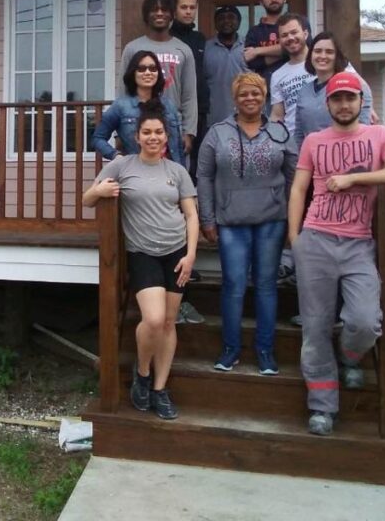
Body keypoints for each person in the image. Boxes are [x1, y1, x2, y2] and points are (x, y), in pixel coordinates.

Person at [287, 72, 385, 436]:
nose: (344, 105)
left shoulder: (378, 136)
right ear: (328, 104)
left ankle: (350, 355)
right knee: (315, 327)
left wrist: (356, 179)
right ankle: (322, 406)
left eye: (350, 98)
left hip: (358, 244)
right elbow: (299, 189)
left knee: (363, 321)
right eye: (337, 99)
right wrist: (295, 238)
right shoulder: (314, 140)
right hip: (316, 241)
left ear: (361, 101)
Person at [84, 101, 199, 420]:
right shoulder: (122, 166)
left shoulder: (177, 171)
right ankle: (143, 373)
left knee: (167, 323)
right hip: (143, 253)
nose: (153, 137)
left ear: (166, 137)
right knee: (152, 319)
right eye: (147, 132)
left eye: (158, 132)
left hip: (176, 253)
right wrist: (102, 190)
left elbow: (190, 215)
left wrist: (190, 255)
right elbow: (87, 198)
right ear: (136, 137)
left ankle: (160, 389)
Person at [197, 72, 296, 376]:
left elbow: (295, 177)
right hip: (231, 222)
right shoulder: (217, 133)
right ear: (235, 98)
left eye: (256, 93)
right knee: (234, 286)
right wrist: (208, 218)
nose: (250, 99)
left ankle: (265, 351)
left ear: (264, 96)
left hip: (272, 221)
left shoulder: (280, 133)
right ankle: (231, 349)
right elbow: (204, 176)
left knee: (266, 286)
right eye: (243, 94)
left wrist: (294, 220)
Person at [120, 0, 198, 154]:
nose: (160, 13)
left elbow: (189, 95)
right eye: (154, 10)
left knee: (173, 176)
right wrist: (118, 131)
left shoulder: (183, 50)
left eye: (164, 10)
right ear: (146, 15)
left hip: (173, 123)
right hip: (138, 122)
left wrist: (189, 132)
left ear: (172, 15)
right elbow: (124, 91)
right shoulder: (132, 48)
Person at [92, 50, 185, 166]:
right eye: (141, 69)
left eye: (153, 68)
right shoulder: (121, 106)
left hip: (169, 174)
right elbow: (98, 138)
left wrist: (182, 175)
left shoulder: (169, 105)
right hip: (137, 172)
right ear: (133, 73)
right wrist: (115, 155)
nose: (148, 72)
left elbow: (178, 148)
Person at [293, 32, 373, 152]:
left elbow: (362, 129)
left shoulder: (354, 86)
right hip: (313, 159)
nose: (323, 56)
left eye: (329, 52)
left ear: (337, 56)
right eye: (318, 51)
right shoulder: (303, 91)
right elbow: (299, 133)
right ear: (310, 55)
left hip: (346, 157)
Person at [169, 0, 209, 178]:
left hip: (199, 108)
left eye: (192, 7)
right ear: (174, 10)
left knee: (198, 162)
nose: (188, 11)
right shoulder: (167, 38)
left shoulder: (200, 39)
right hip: (173, 109)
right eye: (183, 7)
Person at [268, 13, 314, 134]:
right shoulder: (277, 75)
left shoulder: (325, 60)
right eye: (284, 35)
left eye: (294, 32)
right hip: (293, 143)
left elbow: (360, 88)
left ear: (305, 34)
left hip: (324, 139)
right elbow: (277, 115)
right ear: (280, 40)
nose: (290, 38)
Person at [204, 5, 249, 125]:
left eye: (231, 17)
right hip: (215, 119)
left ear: (239, 22)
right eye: (221, 18)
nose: (226, 21)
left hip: (247, 116)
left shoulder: (249, 46)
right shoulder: (205, 49)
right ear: (215, 23)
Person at [243, 0, 289, 85]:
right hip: (266, 94)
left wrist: (257, 51)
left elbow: (304, 47)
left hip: (295, 91)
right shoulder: (254, 32)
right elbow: (253, 63)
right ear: (261, 1)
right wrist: (287, 52)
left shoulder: (297, 24)